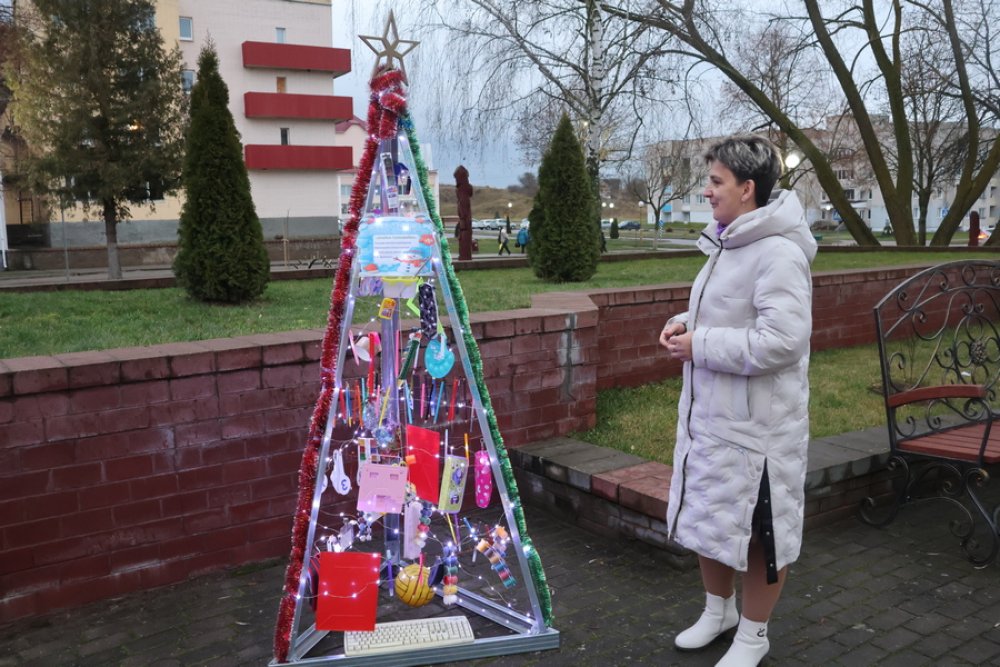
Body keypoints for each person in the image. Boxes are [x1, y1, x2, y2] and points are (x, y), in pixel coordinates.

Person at [659, 134, 816, 667]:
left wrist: (699, 344)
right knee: (709, 519)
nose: (706, 191)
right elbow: (729, 314)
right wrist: (684, 325)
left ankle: (753, 634)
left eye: (715, 181)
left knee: (760, 535)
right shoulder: (729, 243)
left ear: (747, 189)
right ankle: (718, 612)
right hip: (712, 418)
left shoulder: (779, 253)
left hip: (759, 430)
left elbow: (782, 342)